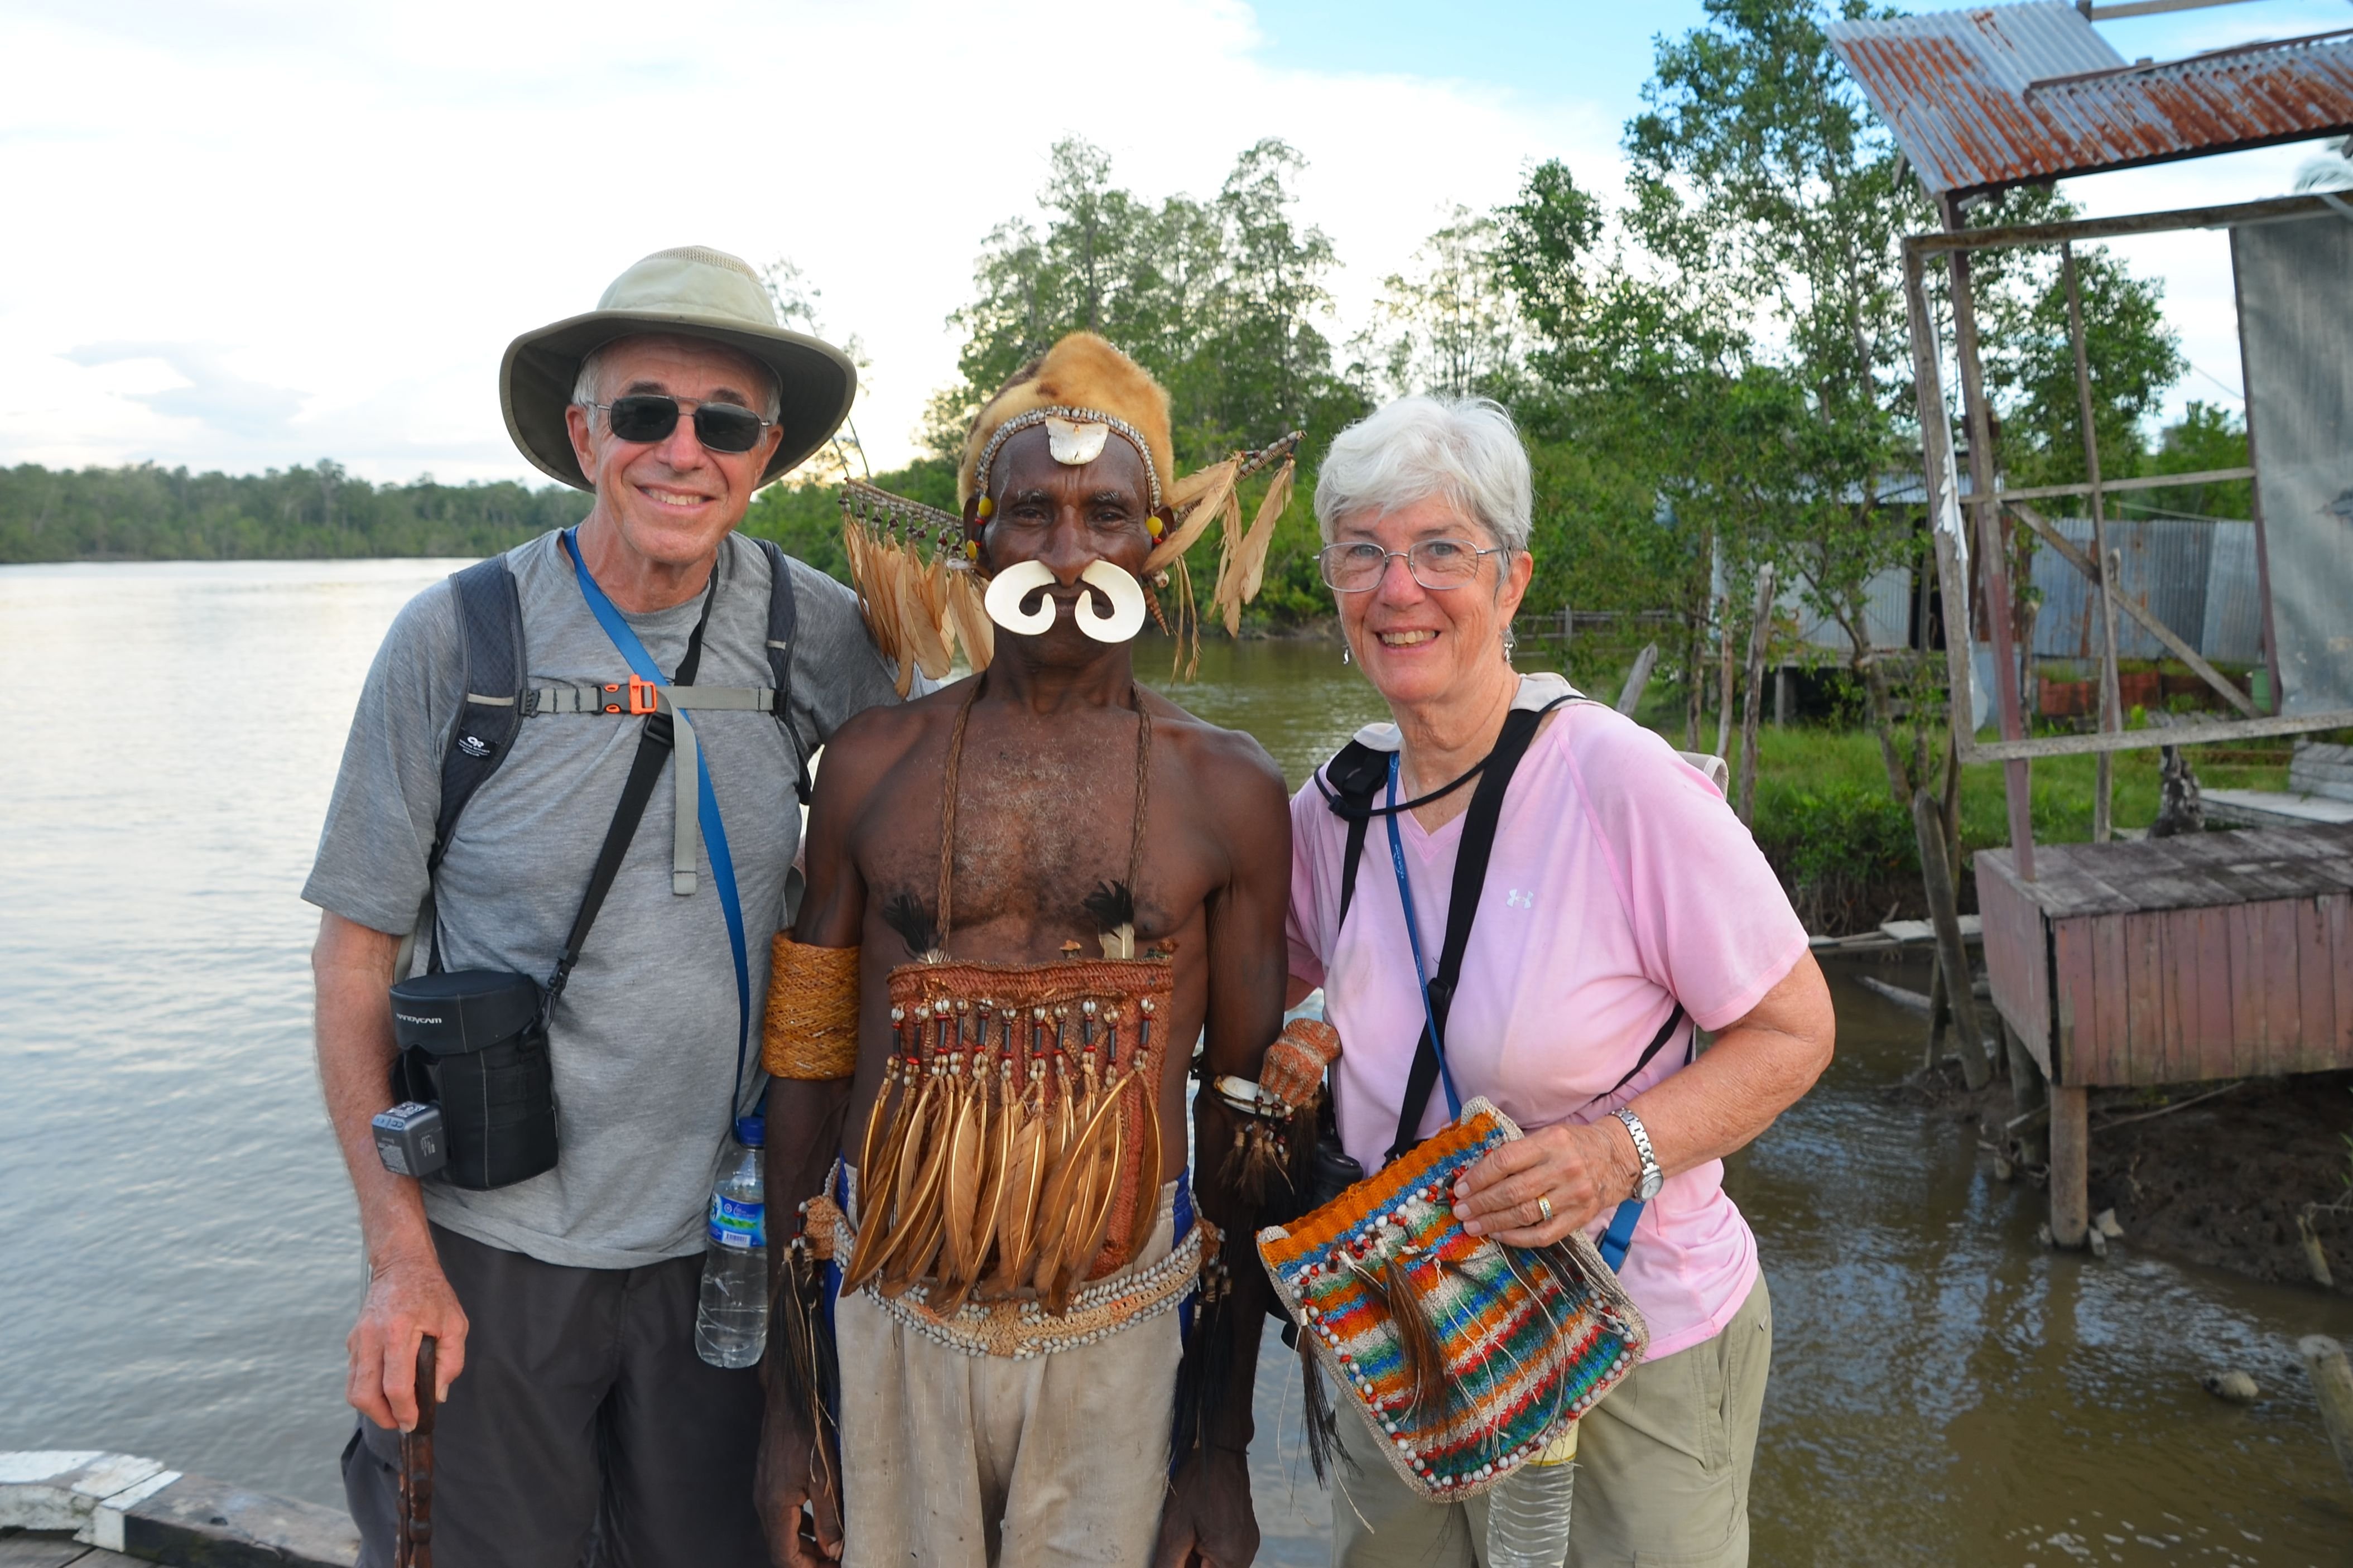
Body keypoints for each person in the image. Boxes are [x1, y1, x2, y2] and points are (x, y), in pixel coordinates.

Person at [307, 246, 906, 1567]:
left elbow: (924, 875)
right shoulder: (456, 641)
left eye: (724, 422)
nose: (680, 451)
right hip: (492, 1246)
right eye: (644, 412)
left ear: (766, 455)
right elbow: (352, 960)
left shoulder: (823, 639)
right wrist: (398, 1260)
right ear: (585, 435)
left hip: (730, 1242)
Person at [754, 332, 1301, 1568]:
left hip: (1119, 1330)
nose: (1068, 552)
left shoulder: (1229, 789)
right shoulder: (871, 766)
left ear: (1155, 541)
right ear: (975, 537)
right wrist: (792, 1419)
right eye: (1032, 514)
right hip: (892, 1322)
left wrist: (1219, 1446)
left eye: (1108, 513)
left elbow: (1245, 1128)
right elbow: (804, 1067)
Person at [1283, 395, 1835, 1567]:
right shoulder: (1334, 807)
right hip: (1410, 1331)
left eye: (1441, 550)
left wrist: (1609, 1153)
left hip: (1630, 1339)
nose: (1399, 588)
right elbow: (1242, 984)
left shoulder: (1618, 782)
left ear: (1513, 580)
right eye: (1363, 552)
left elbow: (1795, 1030)